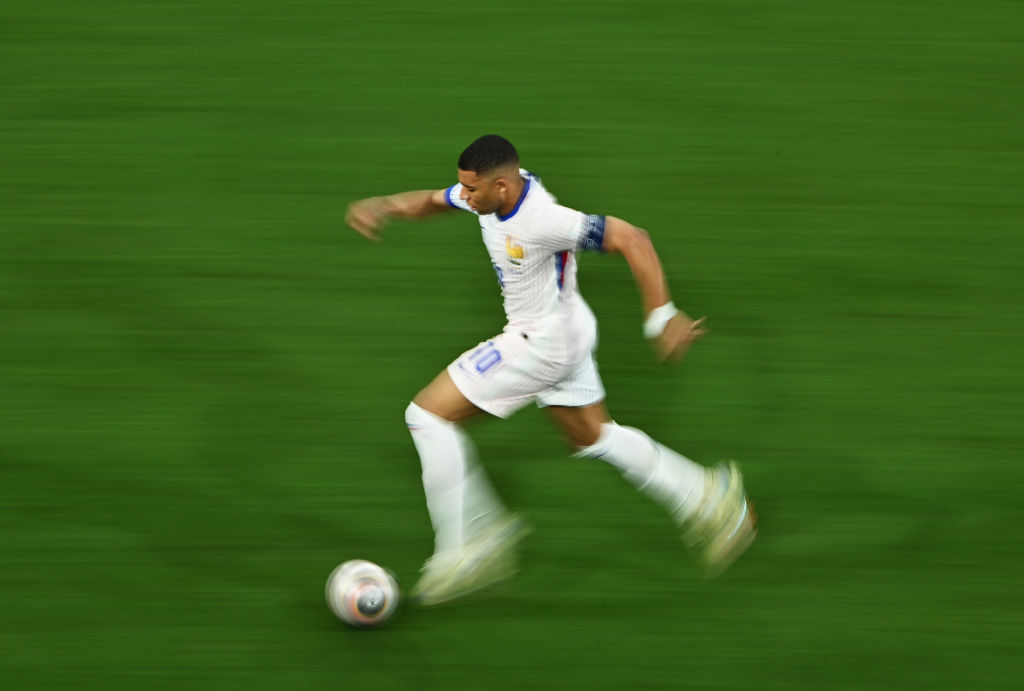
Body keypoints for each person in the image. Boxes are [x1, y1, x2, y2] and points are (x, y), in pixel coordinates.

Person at [345, 135, 756, 606]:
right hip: (568, 329)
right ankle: (709, 497)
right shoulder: (495, 195)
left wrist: (661, 315)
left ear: (501, 186)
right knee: (592, 436)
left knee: (427, 415)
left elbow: (630, 237)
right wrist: (383, 206)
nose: (465, 195)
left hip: (538, 343)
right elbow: (433, 201)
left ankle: (469, 544)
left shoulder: (541, 219)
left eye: (473, 189)